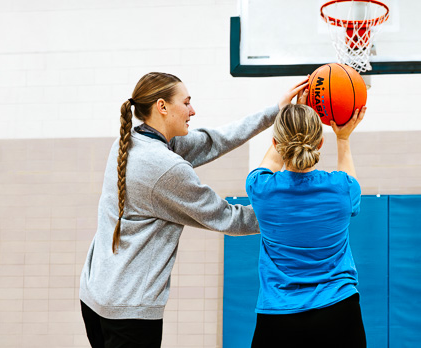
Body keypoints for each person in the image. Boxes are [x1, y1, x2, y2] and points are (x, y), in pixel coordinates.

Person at [79, 72, 309, 348]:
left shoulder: (129, 142)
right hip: (129, 312)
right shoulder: (165, 168)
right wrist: (289, 214)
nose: (193, 110)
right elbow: (227, 217)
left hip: (96, 295)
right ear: (162, 106)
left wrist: (277, 111)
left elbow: (216, 140)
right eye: (186, 103)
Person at [245, 101, 367, 347]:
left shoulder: (260, 188)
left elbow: (270, 163)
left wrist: (284, 114)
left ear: (277, 144)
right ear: (320, 143)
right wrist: (343, 138)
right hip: (339, 311)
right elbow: (349, 178)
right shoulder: (344, 189)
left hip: (279, 318)